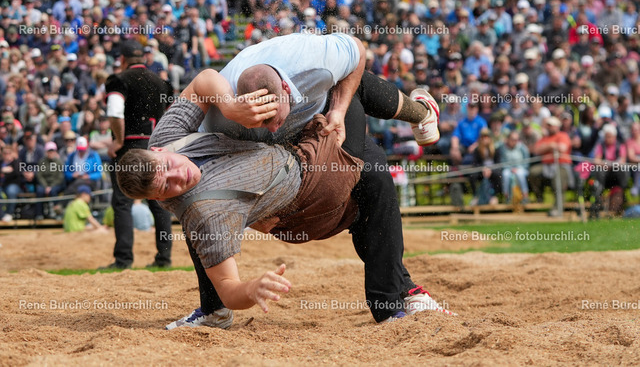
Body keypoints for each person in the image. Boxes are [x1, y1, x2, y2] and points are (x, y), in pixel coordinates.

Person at [115, 68, 453, 329]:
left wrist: (230, 106)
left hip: (295, 163)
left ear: (158, 151)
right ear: (157, 199)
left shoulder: (168, 140)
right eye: (168, 187)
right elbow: (229, 283)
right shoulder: (203, 212)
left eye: (169, 168)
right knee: (348, 80)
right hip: (308, 197)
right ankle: (422, 113)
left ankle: (396, 297)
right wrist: (249, 289)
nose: (181, 175)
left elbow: (204, 80)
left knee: (373, 171)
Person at [103, 40, 173, 269]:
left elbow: (115, 112)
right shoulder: (162, 83)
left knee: (122, 202)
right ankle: (164, 257)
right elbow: (172, 116)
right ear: (143, 57)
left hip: (129, 147)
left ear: (122, 60)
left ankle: (124, 259)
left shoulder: (118, 80)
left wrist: (118, 140)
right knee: (158, 200)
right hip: (155, 147)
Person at [528, 116, 574, 217]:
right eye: (548, 125)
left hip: (562, 166)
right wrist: (551, 146)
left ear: (557, 126)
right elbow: (536, 150)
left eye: (551, 125)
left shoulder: (563, 135)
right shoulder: (544, 138)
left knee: (558, 180)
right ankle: (539, 197)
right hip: (546, 166)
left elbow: (562, 148)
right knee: (533, 172)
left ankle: (557, 208)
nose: (549, 127)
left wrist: (546, 147)